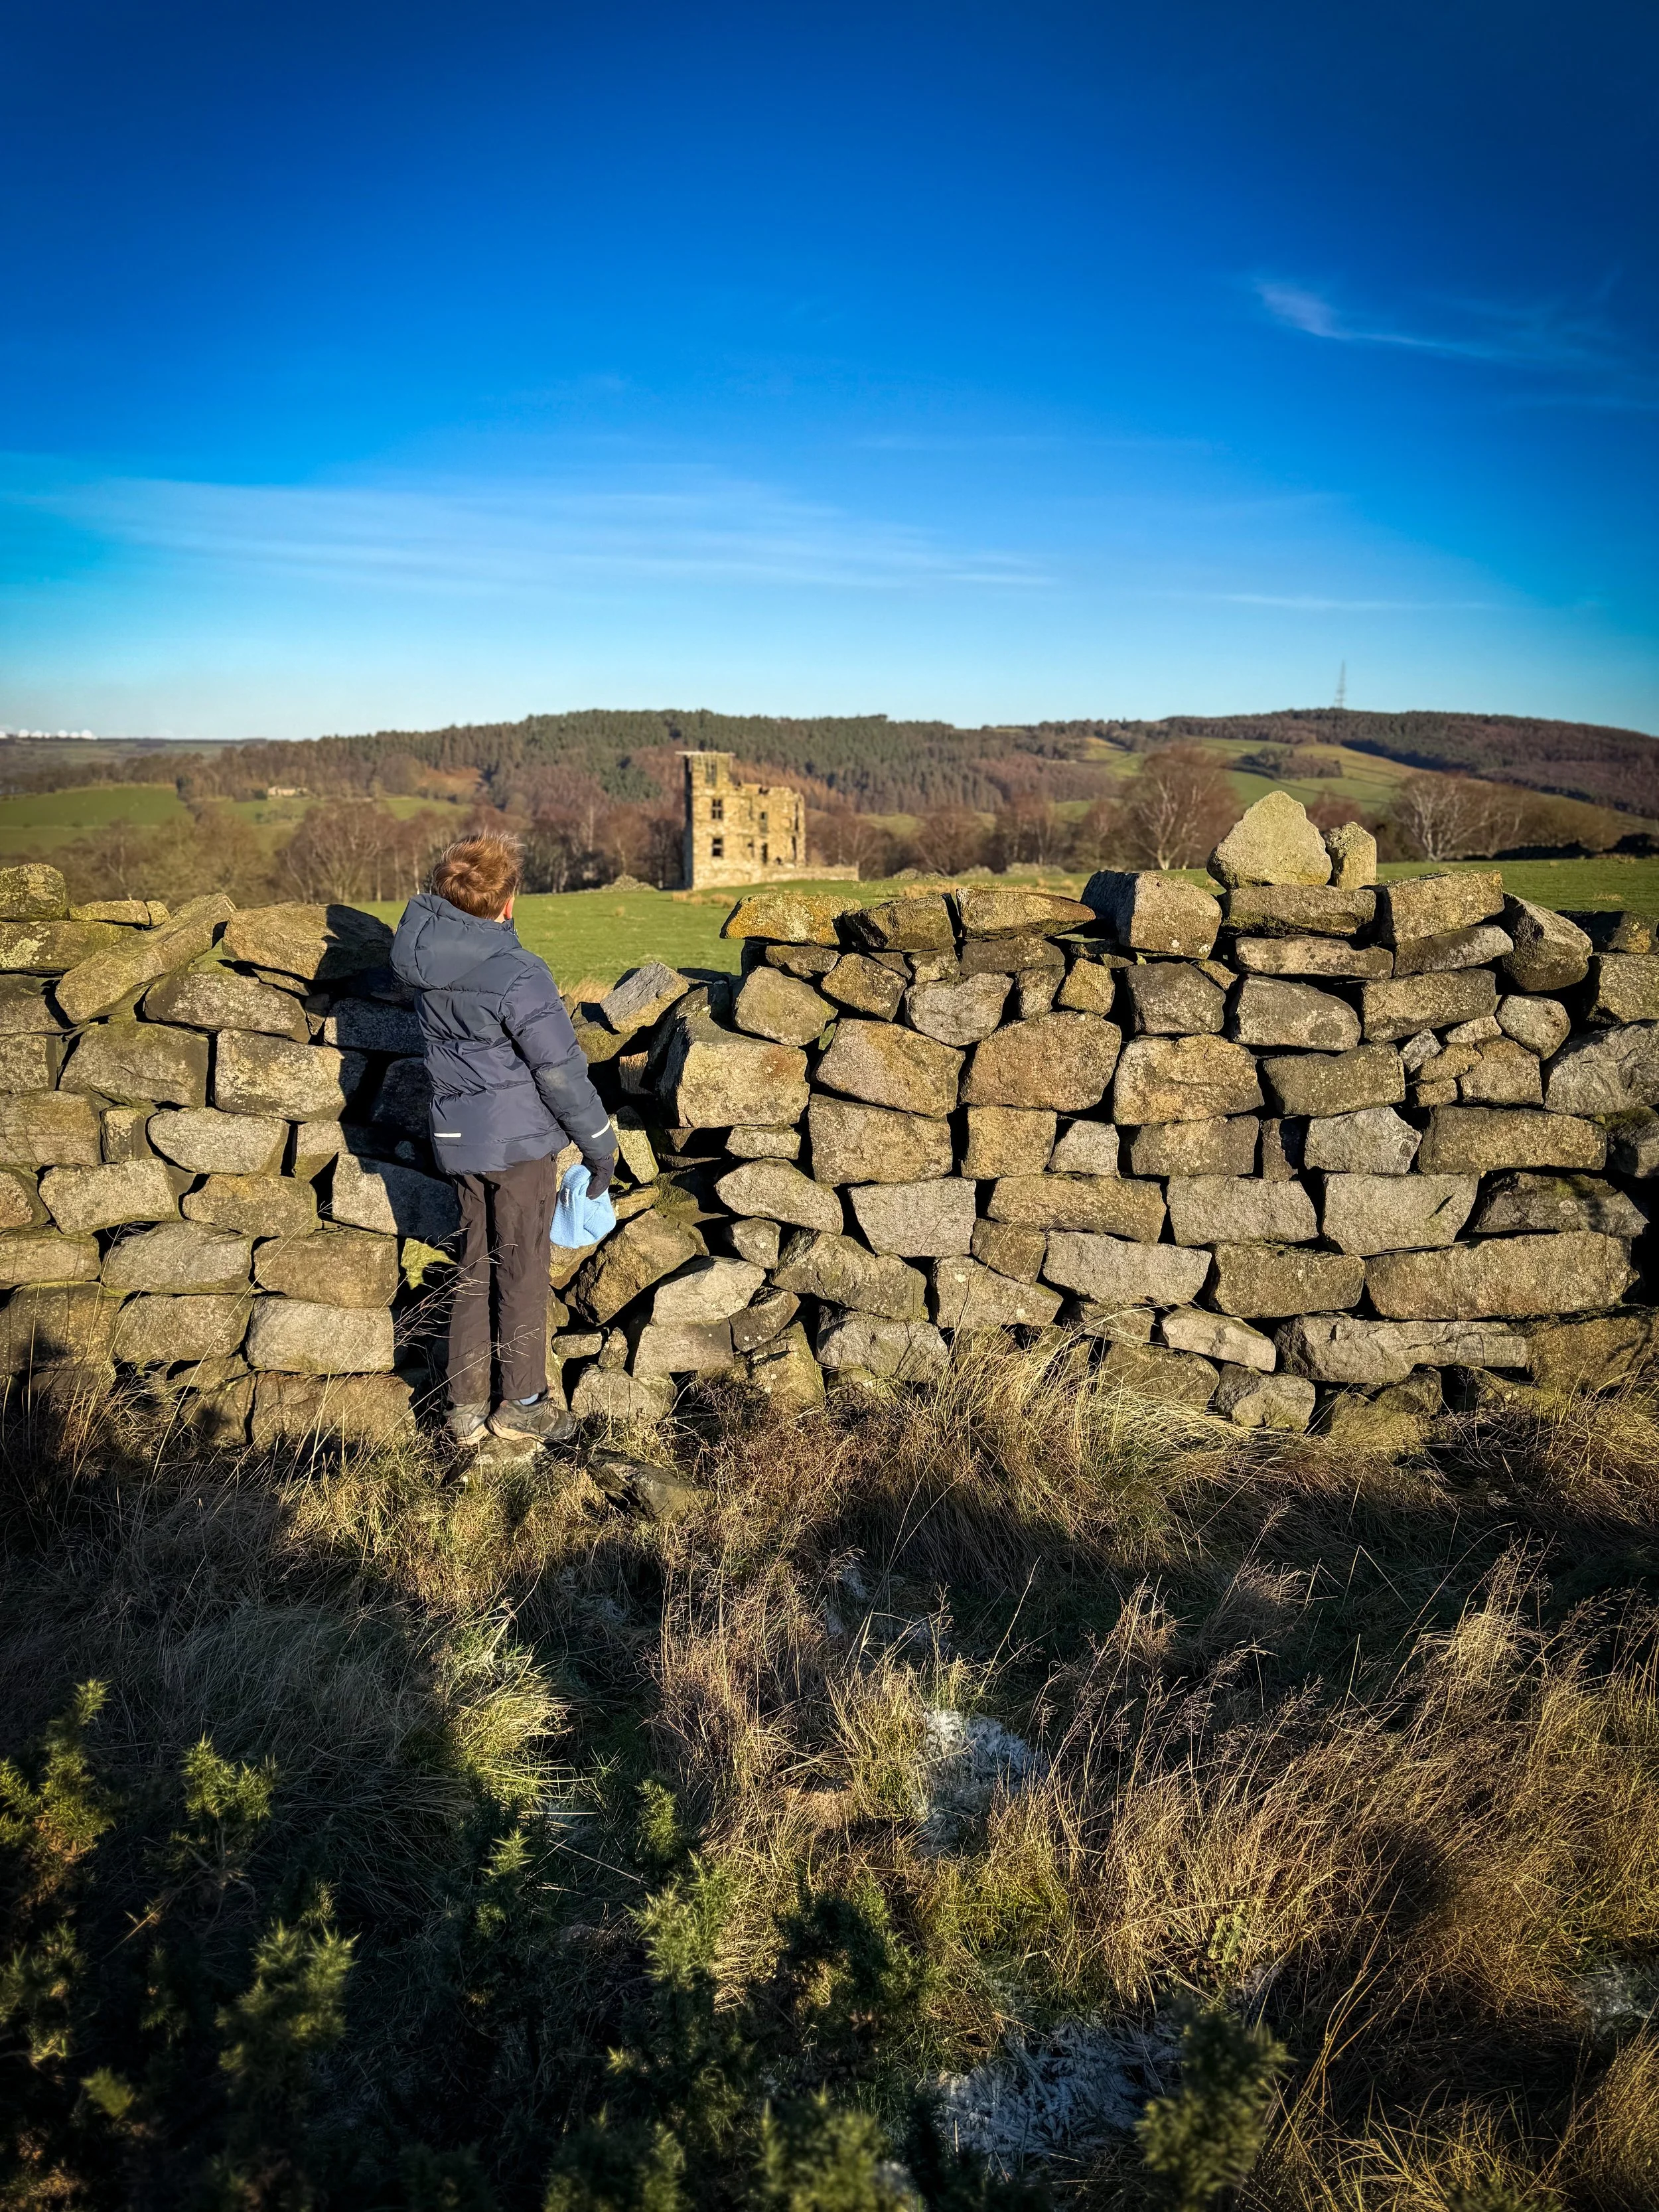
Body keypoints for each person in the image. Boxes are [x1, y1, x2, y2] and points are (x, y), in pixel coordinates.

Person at [391, 833, 616, 1445]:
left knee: (472, 1266)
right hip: (518, 1148)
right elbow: (562, 1071)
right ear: (508, 901)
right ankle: (521, 1402)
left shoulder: (424, 962)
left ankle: (463, 1409)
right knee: (521, 1269)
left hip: (459, 1142)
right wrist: (599, 1144)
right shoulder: (519, 973)